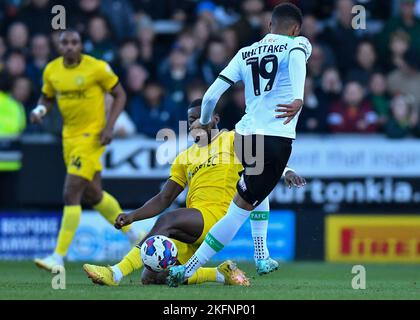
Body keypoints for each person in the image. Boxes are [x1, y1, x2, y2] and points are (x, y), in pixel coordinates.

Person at [83, 100, 305, 286]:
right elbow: (164, 198)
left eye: (199, 119)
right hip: (192, 223)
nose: (194, 125)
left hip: (218, 218)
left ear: (215, 119)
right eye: (190, 121)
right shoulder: (184, 157)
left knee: (168, 219)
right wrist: (133, 215)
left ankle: (116, 273)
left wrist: (286, 171)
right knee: (152, 277)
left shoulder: (231, 139)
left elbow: (263, 162)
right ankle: (219, 273)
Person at [166, 3, 312, 287]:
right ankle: (187, 270)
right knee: (238, 211)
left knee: (259, 186)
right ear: (295, 29)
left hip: (243, 138)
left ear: (269, 26)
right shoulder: (298, 44)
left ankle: (261, 255)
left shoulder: (245, 52)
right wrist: (298, 97)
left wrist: (206, 120)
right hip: (274, 139)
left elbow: (209, 97)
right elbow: (295, 57)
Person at [30, 29, 138, 271]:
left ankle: (58, 257)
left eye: (74, 42)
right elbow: (47, 96)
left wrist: (109, 126)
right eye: (64, 43)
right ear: (59, 46)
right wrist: (40, 111)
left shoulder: (96, 68)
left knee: (71, 191)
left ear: (81, 45)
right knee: (93, 194)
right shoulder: (52, 70)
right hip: (68, 138)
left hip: (92, 136)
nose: (69, 46)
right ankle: (136, 237)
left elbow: (120, 94)